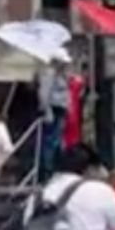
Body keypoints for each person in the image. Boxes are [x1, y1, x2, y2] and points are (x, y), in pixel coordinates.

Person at [38, 50, 72, 180]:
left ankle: (55, 169)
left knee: (56, 142)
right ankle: (47, 172)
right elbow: (44, 94)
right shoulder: (49, 74)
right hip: (54, 110)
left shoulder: (60, 75)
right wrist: (47, 111)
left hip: (60, 110)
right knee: (50, 143)